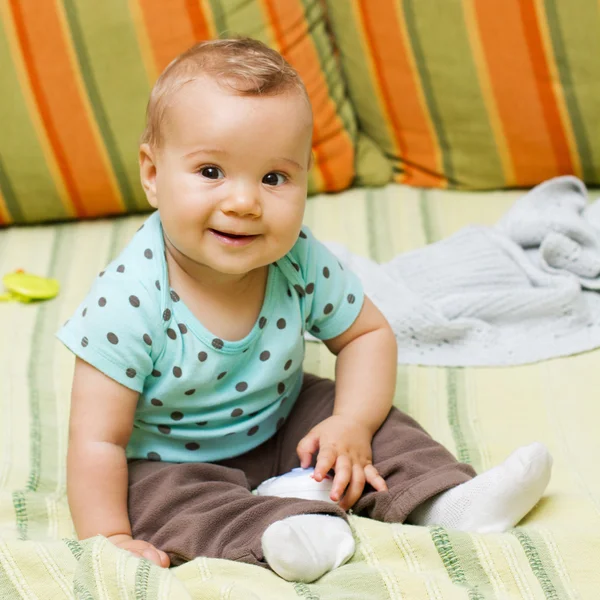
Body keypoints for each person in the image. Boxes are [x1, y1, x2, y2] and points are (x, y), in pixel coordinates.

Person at [57, 38, 553, 583]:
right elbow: (97, 439)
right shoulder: (127, 301)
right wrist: (109, 538)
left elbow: (366, 335)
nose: (244, 202)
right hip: (172, 459)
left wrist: (350, 422)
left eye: (274, 178)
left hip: (283, 415)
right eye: (211, 172)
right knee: (165, 505)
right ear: (153, 175)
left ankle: (447, 499)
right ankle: (284, 530)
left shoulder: (297, 259)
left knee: (376, 418)